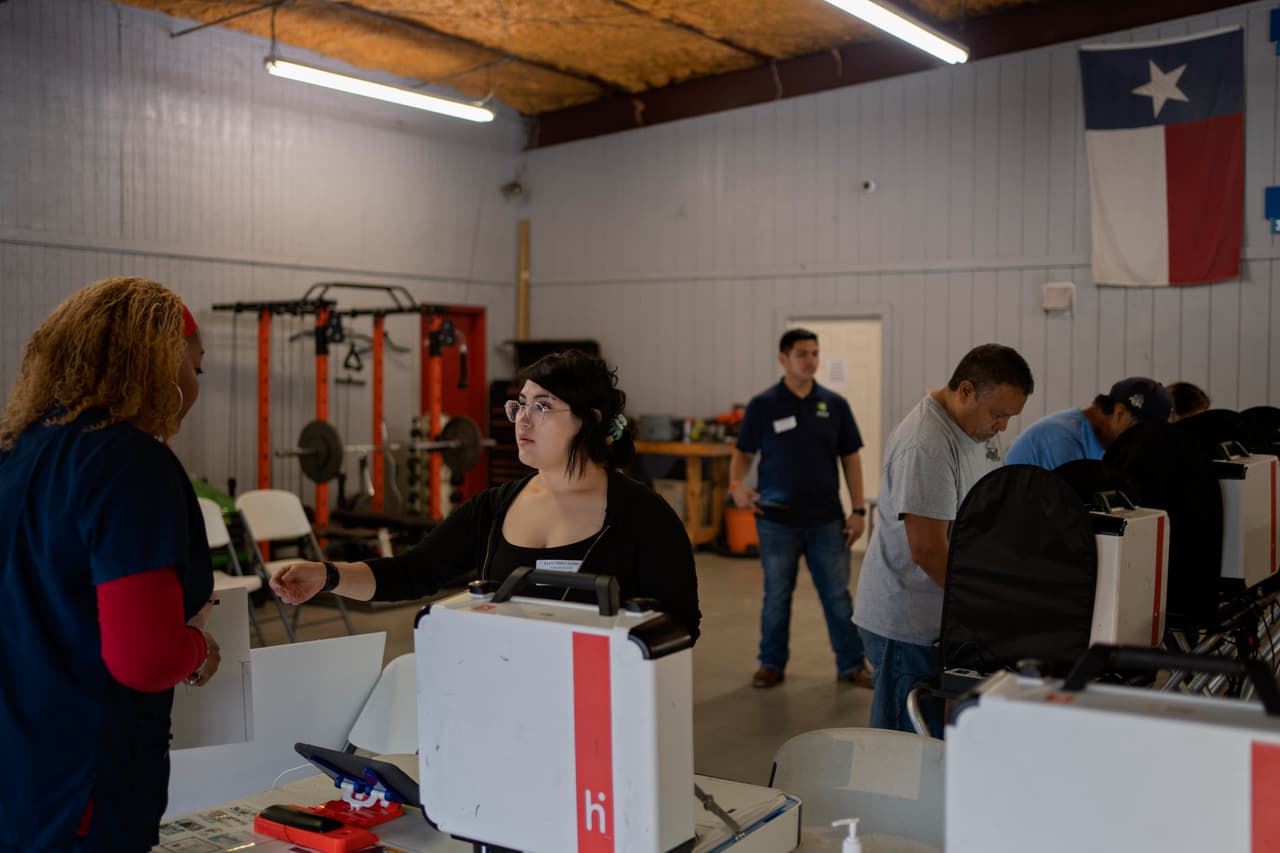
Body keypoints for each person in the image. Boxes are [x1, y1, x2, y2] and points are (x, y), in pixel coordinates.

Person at [0, 277, 219, 852]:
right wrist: (198, 649)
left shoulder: (14, 453)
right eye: (196, 368)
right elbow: (143, 660)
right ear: (161, 367)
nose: (196, 386)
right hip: (84, 790)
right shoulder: (128, 463)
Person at [271, 350, 701, 640]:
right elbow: (411, 573)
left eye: (543, 406)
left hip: (598, 708)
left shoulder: (642, 515)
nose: (522, 421)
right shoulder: (494, 509)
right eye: (521, 404)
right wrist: (326, 576)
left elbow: (681, 624)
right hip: (504, 693)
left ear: (589, 421)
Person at [853, 343, 1033, 737]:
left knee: (932, 741)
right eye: (998, 414)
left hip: (942, 617)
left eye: (1009, 417)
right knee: (903, 746)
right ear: (965, 391)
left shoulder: (975, 426)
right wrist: (983, 608)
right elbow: (928, 550)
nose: (1002, 427)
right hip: (906, 623)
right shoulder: (927, 444)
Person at [729, 328, 872, 690]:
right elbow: (743, 452)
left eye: (814, 353)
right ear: (783, 359)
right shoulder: (763, 405)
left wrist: (858, 510)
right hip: (776, 521)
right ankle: (771, 663)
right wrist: (736, 487)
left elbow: (851, 458)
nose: (810, 361)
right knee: (777, 595)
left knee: (837, 595)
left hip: (826, 521)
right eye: (802, 354)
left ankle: (852, 665)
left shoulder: (834, 405)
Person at [1004, 377, 1173, 470]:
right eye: (1141, 431)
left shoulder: (1095, 439)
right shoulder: (1062, 439)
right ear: (1119, 414)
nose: (1142, 441)